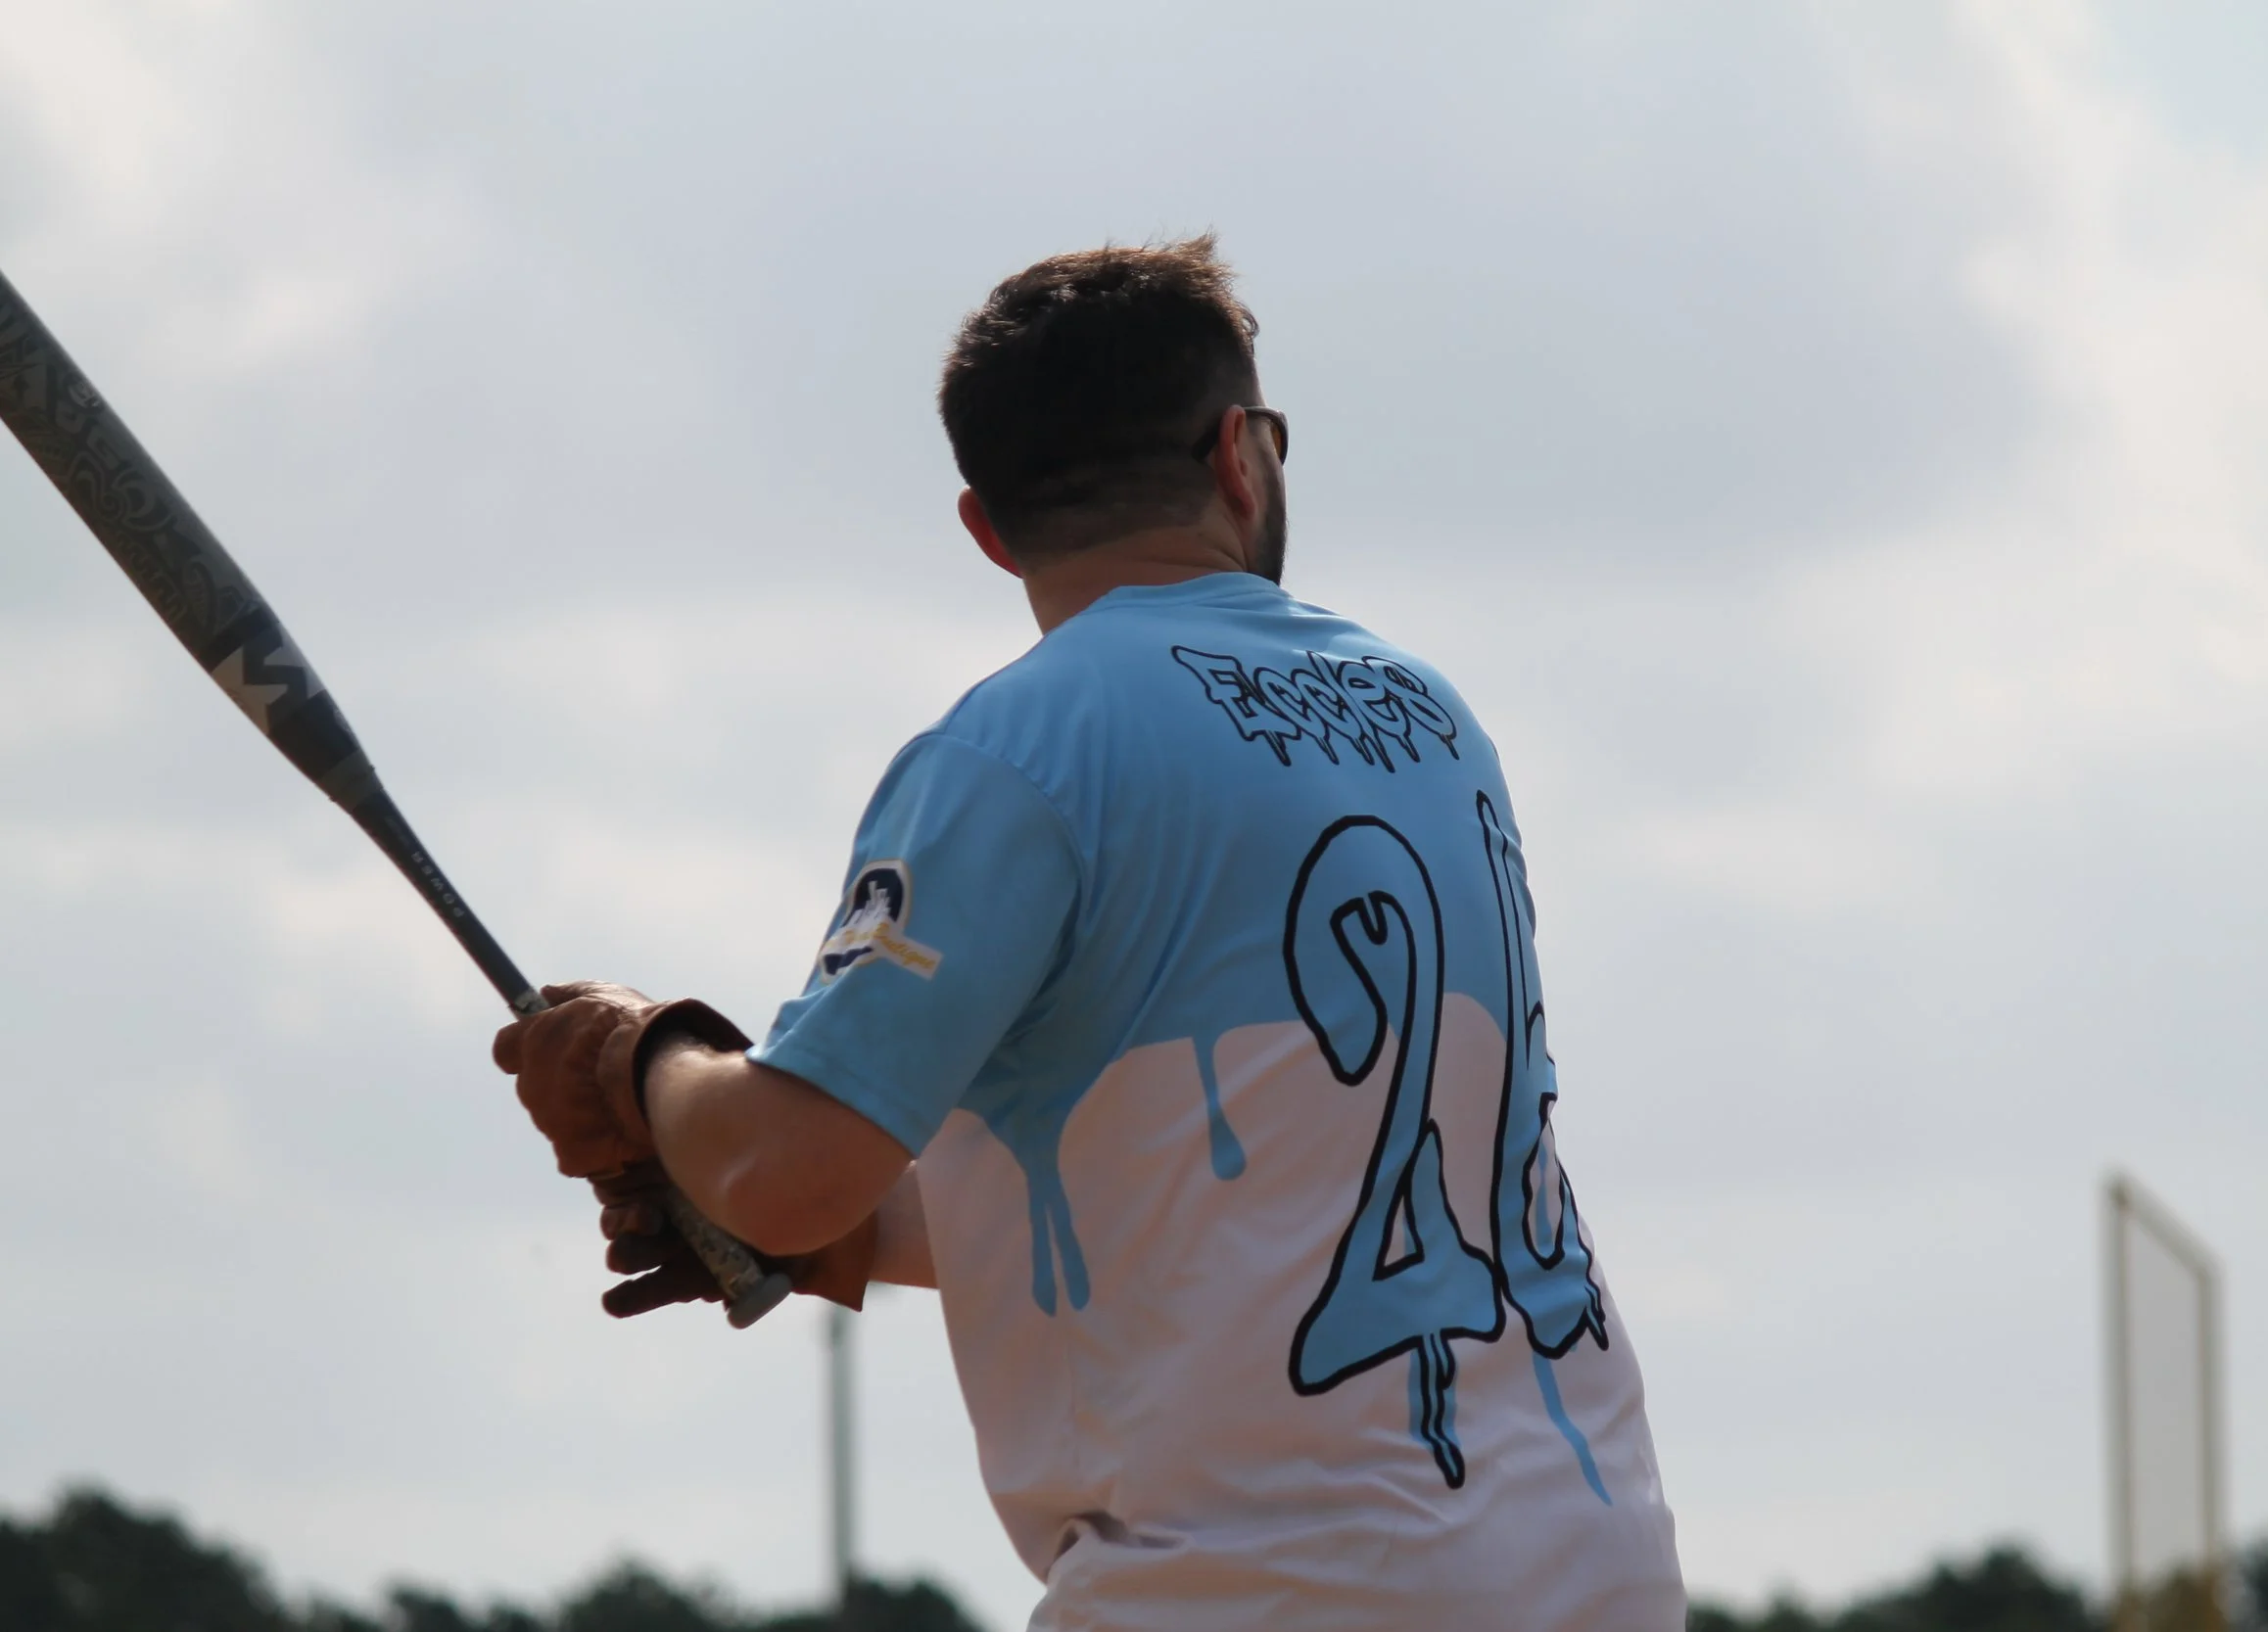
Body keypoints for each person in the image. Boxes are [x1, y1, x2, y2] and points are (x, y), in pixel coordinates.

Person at [495, 236, 1684, 1631]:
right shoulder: (1434, 723)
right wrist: (836, 1237)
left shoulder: (1020, 747)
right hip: (1592, 1568)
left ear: (987, 528)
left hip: (1263, 1589)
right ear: (1239, 455)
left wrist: (644, 1055)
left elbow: (781, 1167)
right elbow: (1210, 1202)